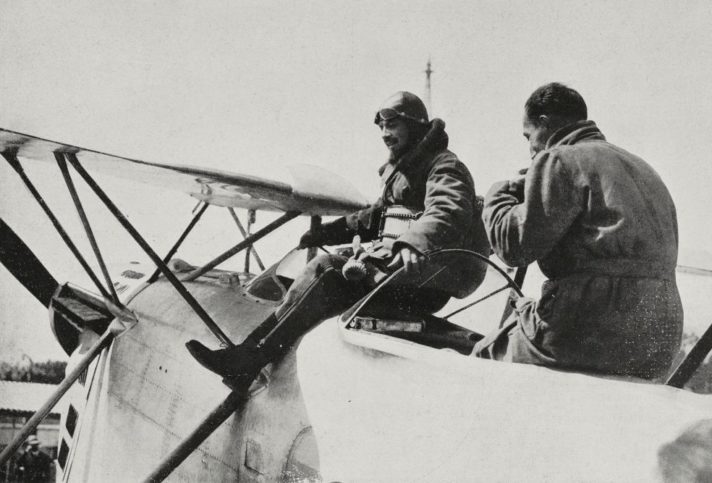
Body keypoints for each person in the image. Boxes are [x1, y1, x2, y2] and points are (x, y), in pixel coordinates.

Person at [187, 91, 488, 383]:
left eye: (392, 124)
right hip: (401, 273)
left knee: (326, 270)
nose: (384, 133)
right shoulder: (403, 170)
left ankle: (246, 361)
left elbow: (448, 209)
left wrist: (414, 242)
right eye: (381, 126)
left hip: (426, 278)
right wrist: (326, 232)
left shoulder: (444, 166)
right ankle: (250, 356)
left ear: (415, 125)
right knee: (324, 274)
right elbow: (373, 218)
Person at [473, 82, 683, 380]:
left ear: (544, 124)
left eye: (528, 135)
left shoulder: (558, 159)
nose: (531, 147)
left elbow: (513, 249)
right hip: (657, 337)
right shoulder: (644, 168)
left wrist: (498, 196)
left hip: (586, 327)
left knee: (481, 358)